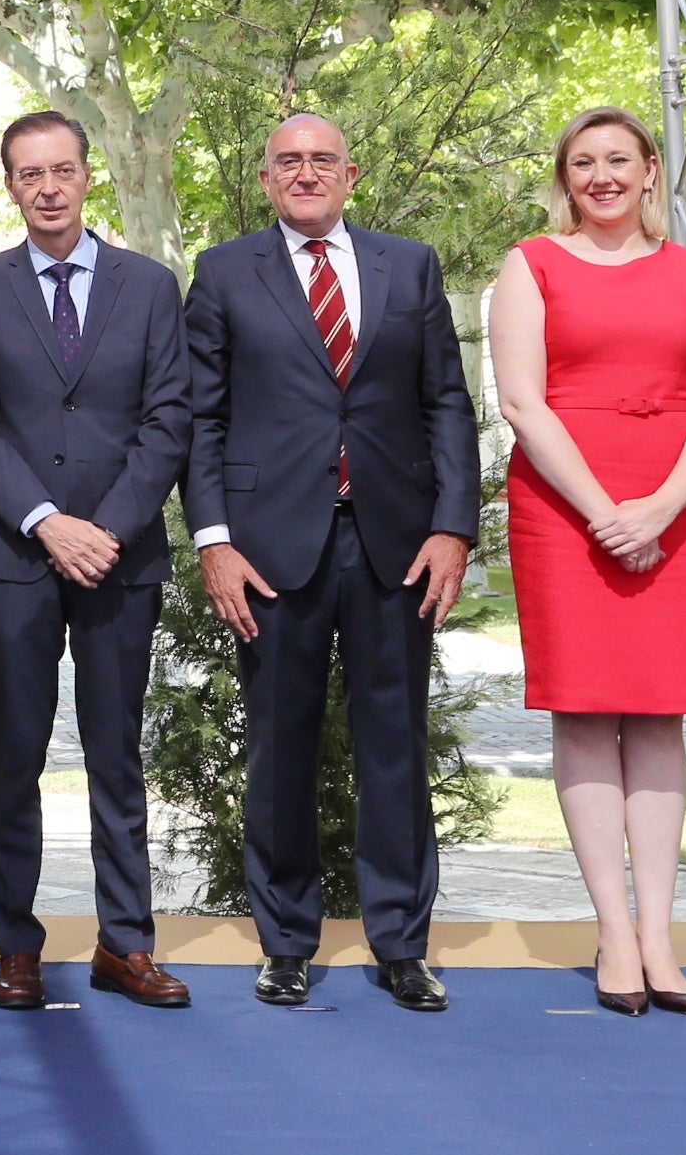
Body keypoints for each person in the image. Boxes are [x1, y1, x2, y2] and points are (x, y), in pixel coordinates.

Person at [187, 112, 481, 1014]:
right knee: (279, 746)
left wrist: (452, 527)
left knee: (394, 747)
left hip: (395, 541)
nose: (305, 173)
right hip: (271, 547)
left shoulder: (410, 264)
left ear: (350, 174)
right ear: (265, 178)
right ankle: (285, 942)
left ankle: (401, 945)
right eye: (288, 162)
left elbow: (444, 403)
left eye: (321, 160)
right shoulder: (224, 271)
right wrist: (214, 540)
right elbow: (202, 416)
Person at [485, 107, 686, 1017]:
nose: (601, 175)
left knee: (660, 717)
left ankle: (658, 939)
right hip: (567, 509)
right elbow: (521, 401)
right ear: (565, 176)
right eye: (582, 161)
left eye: (617, 160)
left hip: (677, 508)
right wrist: (604, 514)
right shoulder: (530, 264)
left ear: (647, 172)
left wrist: (660, 509)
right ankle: (611, 931)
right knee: (589, 713)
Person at [0, 112, 193, 1014]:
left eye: (61, 170)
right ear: (8, 185)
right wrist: (49, 521)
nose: (47, 187)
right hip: (15, 557)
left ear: (87, 176)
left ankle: (124, 943)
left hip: (119, 561)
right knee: (12, 758)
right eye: (27, 174)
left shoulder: (148, 284)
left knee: (115, 756)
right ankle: (16, 946)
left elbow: (170, 418)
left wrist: (107, 530)